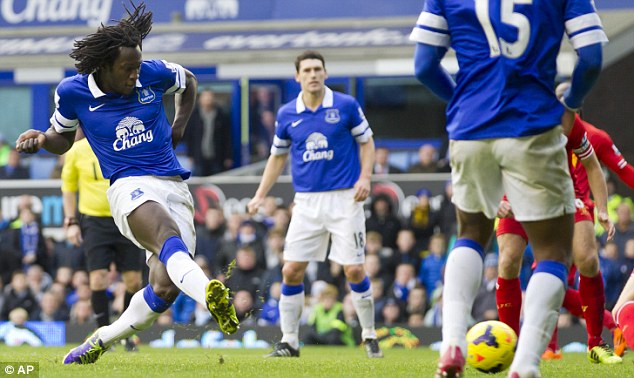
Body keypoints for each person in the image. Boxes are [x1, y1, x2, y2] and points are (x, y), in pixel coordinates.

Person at [15, 2, 238, 365]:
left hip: (173, 184)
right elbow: (61, 137)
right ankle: (212, 295)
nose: (135, 74)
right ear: (104, 66)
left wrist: (180, 123)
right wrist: (41, 139)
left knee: (163, 289)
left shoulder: (152, 72)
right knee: (167, 236)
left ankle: (101, 339)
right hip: (128, 187)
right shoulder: (73, 92)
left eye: (137, 66)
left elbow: (189, 81)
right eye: (127, 68)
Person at [410, 0, 606, 376]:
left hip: (471, 127)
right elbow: (592, 58)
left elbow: (423, 66)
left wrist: (463, 102)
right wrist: (572, 101)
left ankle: (452, 345)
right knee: (552, 252)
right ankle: (526, 364)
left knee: (469, 234)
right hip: (532, 124)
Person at [247, 50, 382, 358]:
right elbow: (277, 157)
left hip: (345, 198)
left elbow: (367, 142)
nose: (313, 74)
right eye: (306, 70)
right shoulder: (286, 113)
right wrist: (259, 194)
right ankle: (290, 341)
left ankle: (370, 336)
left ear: (325, 73)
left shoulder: (345, 105)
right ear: (297, 77)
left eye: (317, 69)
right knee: (291, 269)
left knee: (354, 270)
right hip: (306, 202)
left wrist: (365, 177)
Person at [61, 128, 144, 351]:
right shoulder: (77, 151)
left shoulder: (125, 144)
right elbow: (68, 188)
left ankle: (126, 332)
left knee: (134, 281)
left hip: (125, 216)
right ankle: (103, 336)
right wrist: (71, 221)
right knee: (97, 279)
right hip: (95, 221)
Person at [184, 89, 233, 176]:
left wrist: (228, 156)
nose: (208, 100)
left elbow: (227, 137)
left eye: (210, 97)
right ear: (200, 99)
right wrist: (190, 155)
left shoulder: (221, 115)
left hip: (217, 157)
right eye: (205, 97)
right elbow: (189, 136)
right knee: (200, 184)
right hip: (199, 157)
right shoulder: (194, 116)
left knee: (217, 182)